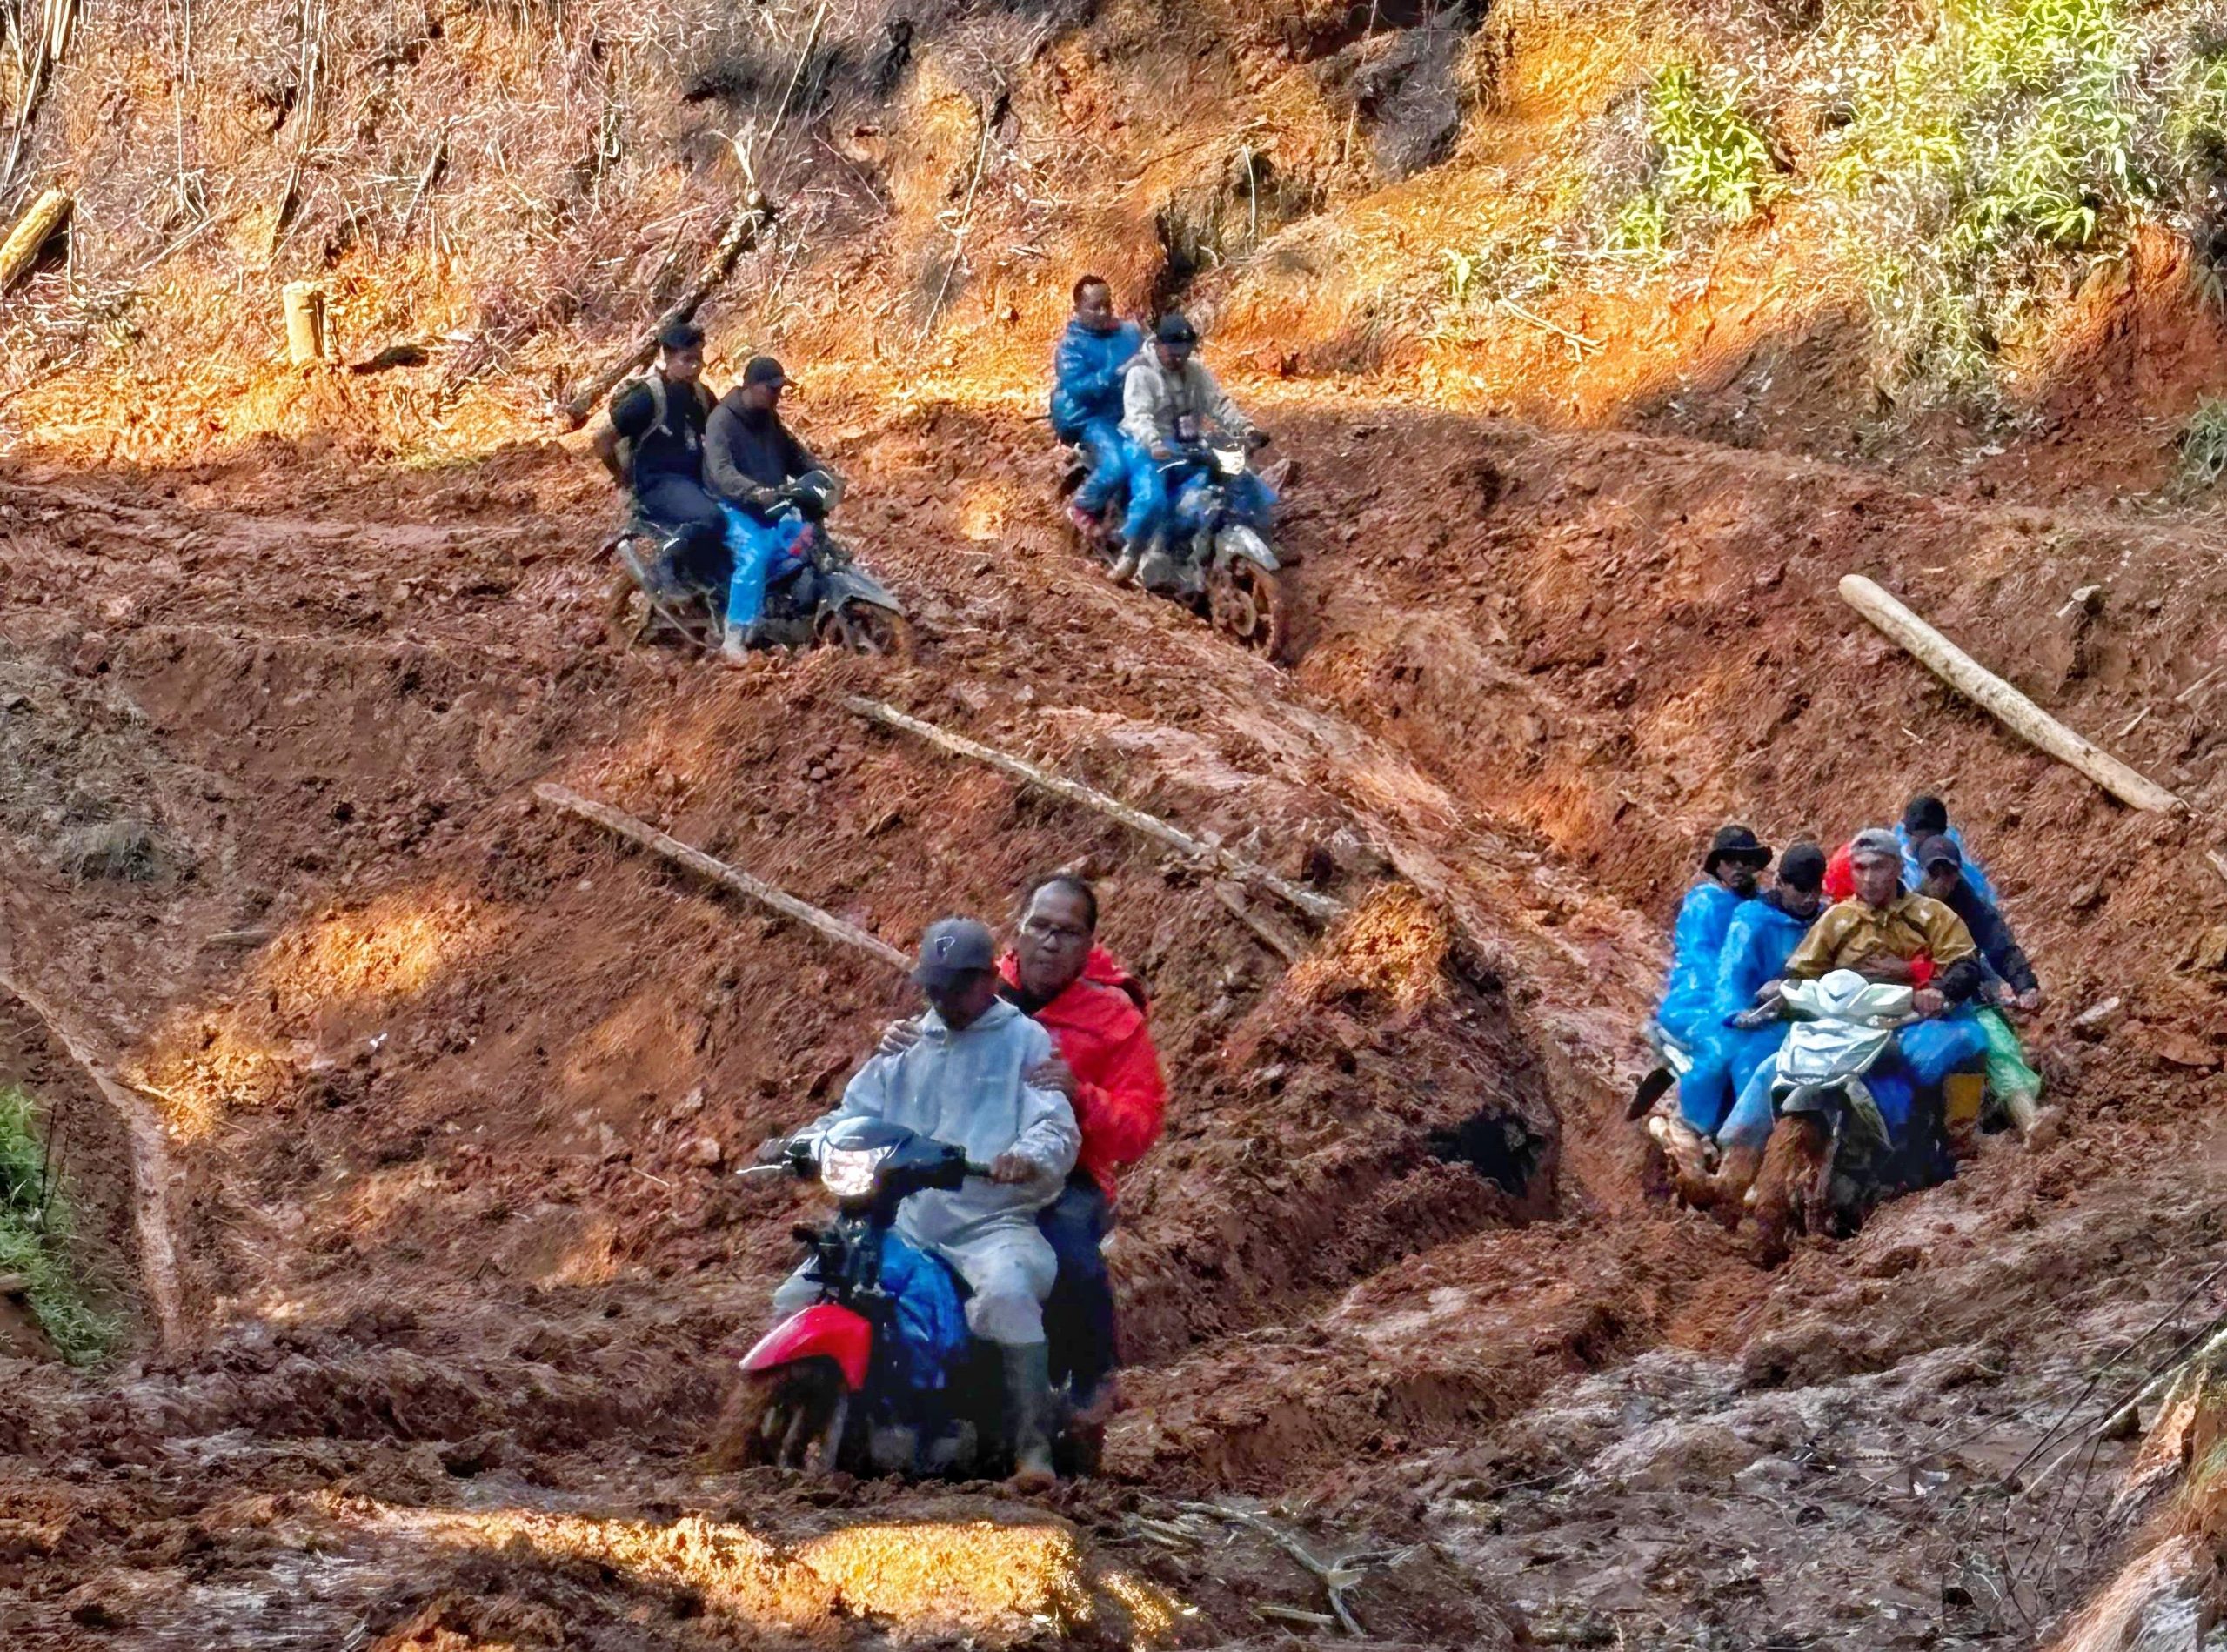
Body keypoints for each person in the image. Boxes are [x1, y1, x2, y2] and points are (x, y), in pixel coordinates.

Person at [774, 917, 1080, 1488]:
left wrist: (1025, 1153)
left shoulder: (1026, 1043)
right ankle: (802, 1413)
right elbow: (853, 1113)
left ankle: (1032, 1451)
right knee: (804, 1287)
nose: (942, 999)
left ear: (990, 980)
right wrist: (802, 1140)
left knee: (1008, 1294)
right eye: (933, 986)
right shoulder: (909, 1040)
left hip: (992, 1221)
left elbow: (1056, 1126)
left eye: (955, 986)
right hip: (903, 1218)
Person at [881, 876, 1167, 1429]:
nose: (1050, 942)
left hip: (1068, 1174)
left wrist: (1081, 1097)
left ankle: (1092, 1377)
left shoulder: (1115, 1020)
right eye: (1040, 926)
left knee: (1069, 1253)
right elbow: (931, 1043)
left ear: (1089, 945)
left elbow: (1139, 1128)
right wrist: (900, 1049)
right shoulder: (977, 985)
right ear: (1018, 928)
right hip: (965, 1157)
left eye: (1068, 932)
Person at [1714, 828, 1989, 1200]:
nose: (1869, 878)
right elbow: (1803, 968)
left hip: (1907, 1018)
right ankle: (1734, 1168)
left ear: (1896, 868)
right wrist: (1780, 985)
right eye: (1860, 868)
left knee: (1960, 1042)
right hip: (1845, 1021)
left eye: (1879, 867)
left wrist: (1938, 992)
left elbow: (1964, 964)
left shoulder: (1931, 914)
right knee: (1772, 1068)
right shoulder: (1836, 919)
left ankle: (1959, 1140)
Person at [1675, 841, 1829, 1137]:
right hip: (1756, 1017)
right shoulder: (1752, 920)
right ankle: (1710, 1133)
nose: (1809, 899)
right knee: (1731, 1061)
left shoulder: (1826, 920)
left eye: (1815, 890)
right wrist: (1738, 1013)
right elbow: (1732, 973)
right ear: (1781, 883)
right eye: (1801, 890)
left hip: (1809, 1015)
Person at [1119, 312, 1274, 591]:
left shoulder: (1195, 372)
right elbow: (1138, 417)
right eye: (1173, 351)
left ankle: (1260, 538)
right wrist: (1154, 443)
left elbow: (1219, 404)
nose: (1178, 358)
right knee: (1153, 498)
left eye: (1185, 352)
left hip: (1188, 444)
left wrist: (1246, 429)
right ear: (1159, 345)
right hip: (1147, 446)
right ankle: (1134, 556)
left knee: (1240, 476)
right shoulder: (1141, 372)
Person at [1632, 825, 1771, 1123]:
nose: (1738, 869)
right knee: (1720, 1051)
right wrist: (1732, 1003)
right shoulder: (1705, 903)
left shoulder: (1763, 906)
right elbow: (1703, 961)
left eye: (1745, 861)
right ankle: (1697, 1124)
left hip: (1749, 999)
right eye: (1730, 861)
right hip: (1699, 1000)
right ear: (1718, 866)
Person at [703, 355, 827, 665]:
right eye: (771, 389)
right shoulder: (722, 420)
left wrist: (822, 476)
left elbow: (795, 455)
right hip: (731, 505)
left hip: (770, 503)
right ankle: (735, 637)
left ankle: (784, 612)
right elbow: (722, 471)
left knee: (805, 540)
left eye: (779, 390)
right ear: (751, 386)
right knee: (754, 554)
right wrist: (754, 491)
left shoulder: (768, 418)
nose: (777, 396)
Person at [1916, 835, 2044, 1126]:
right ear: (1922, 872)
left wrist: (2024, 984)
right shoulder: (1907, 910)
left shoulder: (1972, 907)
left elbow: (2000, 945)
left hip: (1967, 997)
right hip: (1919, 998)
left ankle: (2029, 1119)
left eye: (1948, 872)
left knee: (1998, 1046)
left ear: (1958, 872)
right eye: (1933, 872)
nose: (1941, 881)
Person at [594, 322, 722, 588]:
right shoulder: (647, 397)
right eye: (687, 360)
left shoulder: (700, 394)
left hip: (694, 478)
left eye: (699, 359)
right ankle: (667, 567)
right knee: (711, 516)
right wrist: (622, 477)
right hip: (657, 483)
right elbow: (602, 440)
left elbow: (724, 430)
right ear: (667, 359)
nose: (695, 367)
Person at [1050, 277, 1152, 572]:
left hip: (1131, 409)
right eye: (1095, 308)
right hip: (1089, 416)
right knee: (1117, 464)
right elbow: (1080, 389)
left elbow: (1152, 357)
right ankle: (1082, 507)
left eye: (1107, 305)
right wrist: (1117, 372)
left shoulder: (1129, 334)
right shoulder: (1071, 347)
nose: (1104, 313)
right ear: (1078, 308)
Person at [1896, 794, 2001, 906]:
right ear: (1907, 834)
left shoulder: (1954, 862)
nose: (1929, 847)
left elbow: (1984, 906)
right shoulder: (1896, 869)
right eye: (1922, 841)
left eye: (1934, 838)